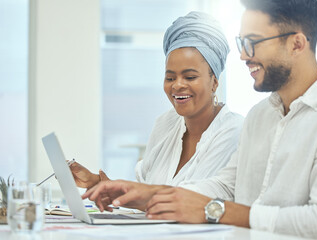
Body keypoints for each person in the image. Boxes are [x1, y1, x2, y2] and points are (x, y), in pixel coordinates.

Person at [82, 0, 317, 239]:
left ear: (297, 44)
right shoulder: (260, 116)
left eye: (253, 42)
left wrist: (215, 211)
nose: (243, 55)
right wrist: (146, 193)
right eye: (242, 43)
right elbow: (226, 186)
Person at [70, 11, 243, 189]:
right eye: (170, 78)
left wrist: (115, 189)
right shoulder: (165, 124)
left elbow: (194, 198)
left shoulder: (234, 131)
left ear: (214, 81)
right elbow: (144, 193)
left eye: (190, 77)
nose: (177, 85)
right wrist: (97, 183)